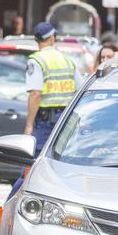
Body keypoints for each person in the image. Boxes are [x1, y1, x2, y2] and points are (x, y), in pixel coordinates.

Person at [25, 22, 83, 153]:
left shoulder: (36, 60)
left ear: (37, 40)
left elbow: (35, 94)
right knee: (62, 158)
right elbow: (81, 90)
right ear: (52, 38)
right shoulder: (67, 60)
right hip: (65, 119)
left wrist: (29, 125)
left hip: (45, 121)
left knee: (36, 159)